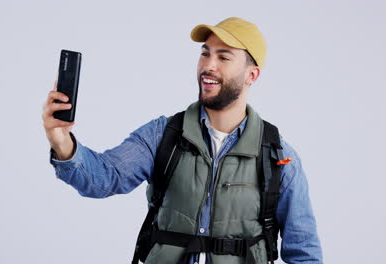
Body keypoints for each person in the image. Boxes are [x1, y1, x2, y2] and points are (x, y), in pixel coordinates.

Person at [42, 17, 323, 264]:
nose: (208, 66)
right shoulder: (163, 135)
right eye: (205, 54)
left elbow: (305, 252)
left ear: (252, 75)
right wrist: (61, 141)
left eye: (223, 57)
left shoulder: (278, 156)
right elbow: (105, 177)